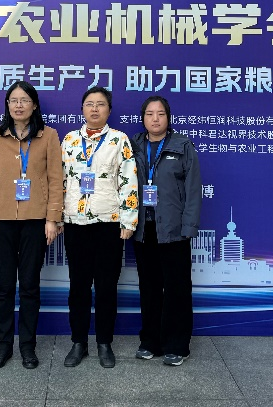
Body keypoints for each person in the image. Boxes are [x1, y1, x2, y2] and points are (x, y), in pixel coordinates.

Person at [0, 81, 63, 370]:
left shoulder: (48, 136)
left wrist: (52, 219)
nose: (19, 105)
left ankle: (27, 346)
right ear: (7, 105)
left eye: (24, 100)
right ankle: (3, 345)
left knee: (29, 286)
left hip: (35, 221)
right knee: (3, 286)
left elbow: (55, 179)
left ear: (34, 105)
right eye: (13, 100)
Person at [60, 86, 138, 369]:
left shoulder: (119, 139)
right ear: (82, 109)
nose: (95, 109)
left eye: (101, 104)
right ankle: (78, 342)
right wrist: (57, 216)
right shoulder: (69, 140)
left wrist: (129, 220)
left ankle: (105, 342)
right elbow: (60, 180)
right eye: (89, 104)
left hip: (109, 223)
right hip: (75, 223)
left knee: (106, 286)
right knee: (78, 286)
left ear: (109, 110)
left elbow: (128, 180)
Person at [131, 95, 201, 366]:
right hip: (143, 229)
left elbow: (193, 190)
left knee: (176, 288)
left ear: (168, 118)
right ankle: (150, 341)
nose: (155, 119)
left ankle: (177, 345)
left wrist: (188, 226)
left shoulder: (182, 145)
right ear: (143, 118)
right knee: (149, 287)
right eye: (150, 114)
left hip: (174, 229)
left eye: (160, 114)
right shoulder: (134, 145)